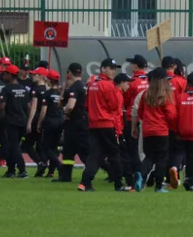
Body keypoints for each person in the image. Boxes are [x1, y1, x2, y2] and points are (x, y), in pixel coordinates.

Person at [83, 58, 125, 192]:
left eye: (114, 69)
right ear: (103, 69)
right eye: (111, 68)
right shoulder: (108, 85)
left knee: (95, 154)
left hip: (94, 124)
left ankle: (85, 182)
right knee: (114, 154)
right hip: (106, 123)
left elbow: (87, 105)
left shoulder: (92, 84)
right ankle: (118, 183)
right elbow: (114, 105)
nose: (113, 71)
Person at [134, 68, 177, 193]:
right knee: (161, 159)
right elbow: (171, 115)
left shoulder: (145, 94)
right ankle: (159, 185)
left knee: (149, 157)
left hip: (148, 131)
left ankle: (141, 174)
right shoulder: (166, 95)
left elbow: (140, 112)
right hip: (161, 131)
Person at [57, 63, 90, 188]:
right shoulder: (81, 86)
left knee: (83, 152)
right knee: (68, 151)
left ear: (69, 73)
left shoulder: (75, 87)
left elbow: (69, 106)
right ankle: (66, 176)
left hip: (76, 123)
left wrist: (64, 111)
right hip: (78, 123)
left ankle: (109, 171)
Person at [123, 55, 150, 188]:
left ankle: (136, 176)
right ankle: (146, 175)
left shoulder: (132, 82)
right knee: (146, 150)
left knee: (132, 151)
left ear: (135, 66)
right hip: (147, 119)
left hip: (131, 118)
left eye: (132, 64)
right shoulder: (151, 81)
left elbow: (126, 100)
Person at [0, 65, 31, 179]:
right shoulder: (23, 88)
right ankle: (11, 170)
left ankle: (22, 169)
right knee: (13, 146)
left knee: (13, 146)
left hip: (11, 121)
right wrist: (28, 121)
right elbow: (28, 106)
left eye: (5, 74)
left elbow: (2, 106)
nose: (3, 76)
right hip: (22, 120)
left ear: (10, 75)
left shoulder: (7, 88)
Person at [36, 70, 64, 180]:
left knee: (47, 147)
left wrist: (39, 123)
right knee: (55, 147)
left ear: (49, 80)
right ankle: (51, 171)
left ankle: (59, 165)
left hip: (50, 121)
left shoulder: (47, 94)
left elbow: (43, 110)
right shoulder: (61, 93)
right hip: (60, 121)